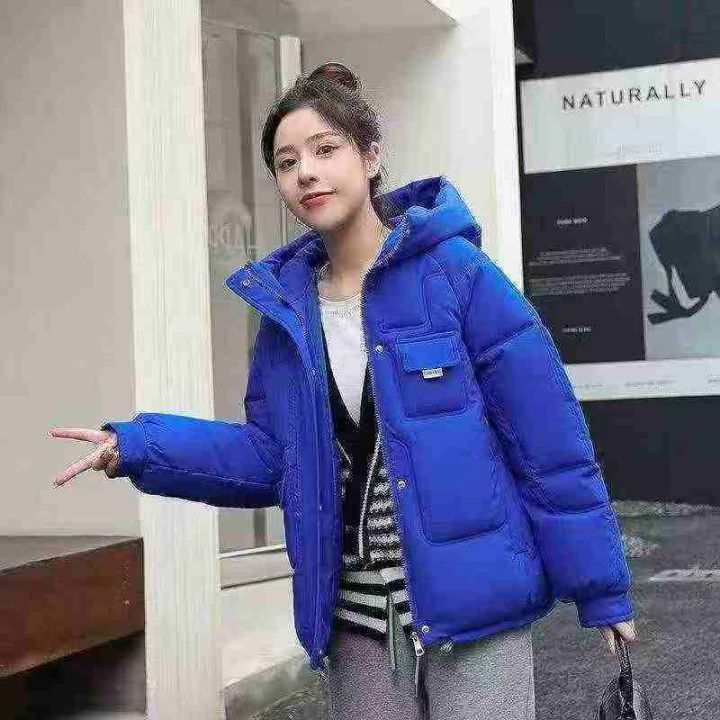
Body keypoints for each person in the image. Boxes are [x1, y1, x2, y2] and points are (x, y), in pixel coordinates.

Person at [49, 62, 637, 719]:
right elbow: (271, 457)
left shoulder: (456, 275)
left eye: (325, 150)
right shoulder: (286, 315)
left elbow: (547, 443)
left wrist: (601, 589)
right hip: (356, 620)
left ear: (371, 156)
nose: (306, 172)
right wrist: (137, 446)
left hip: (477, 607)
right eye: (286, 161)